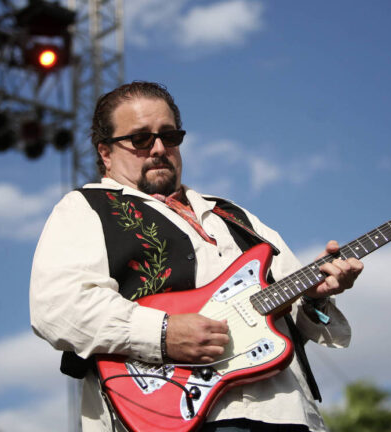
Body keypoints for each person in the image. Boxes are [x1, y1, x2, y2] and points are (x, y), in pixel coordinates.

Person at [30, 81, 363, 432]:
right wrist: (162, 333)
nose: (159, 148)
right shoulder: (86, 208)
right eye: (141, 139)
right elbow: (58, 307)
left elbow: (298, 322)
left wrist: (315, 298)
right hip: (178, 418)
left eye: (170, 136)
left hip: (287, 414)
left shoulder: (237, 217)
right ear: (106, 153)